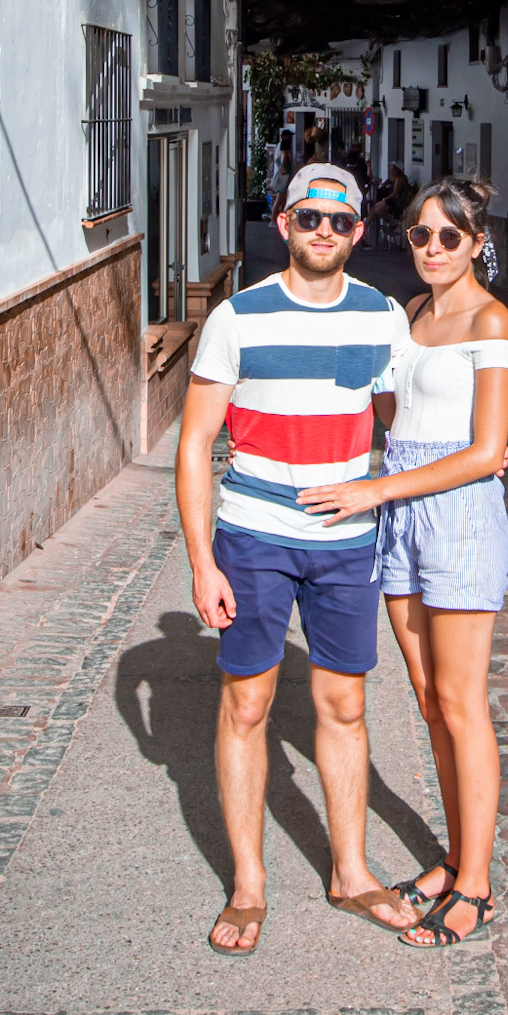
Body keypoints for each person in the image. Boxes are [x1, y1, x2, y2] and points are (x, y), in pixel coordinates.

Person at [176, 163, 417, 955]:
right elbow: (193, 444)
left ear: (357, 230)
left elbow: (396, 423)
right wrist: (202, 564)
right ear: (282, 223)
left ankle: (349, 871)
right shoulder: (237, 318)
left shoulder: (383, 316)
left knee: (344, 706)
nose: (324, 230)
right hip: (253, 538)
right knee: (246, 706)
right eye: (309, 216)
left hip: (347, 544)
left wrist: (463, 456)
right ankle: (248, 883)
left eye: (339, 221)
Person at [299, 177, 508, 949]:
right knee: (426, 698)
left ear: (476, 243)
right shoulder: (411, 315)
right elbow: (398, 412)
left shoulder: (491, 320)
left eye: (447, 238)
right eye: (420, 235)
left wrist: (375, 488)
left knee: (463, 704)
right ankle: (455, 857)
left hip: (454, 516)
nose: (430, 249)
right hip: (404, 512)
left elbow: (487, 450)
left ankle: (476, 887)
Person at [267, 133, 294, 223]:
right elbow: (284, 164)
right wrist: (284, 169)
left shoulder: (279, 155)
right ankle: (273, 220)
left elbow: (276, 161)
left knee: (280, 201)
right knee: (279, 201)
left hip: (282, 180)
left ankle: (276, 220)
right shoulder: (285, 154)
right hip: (284, 181)